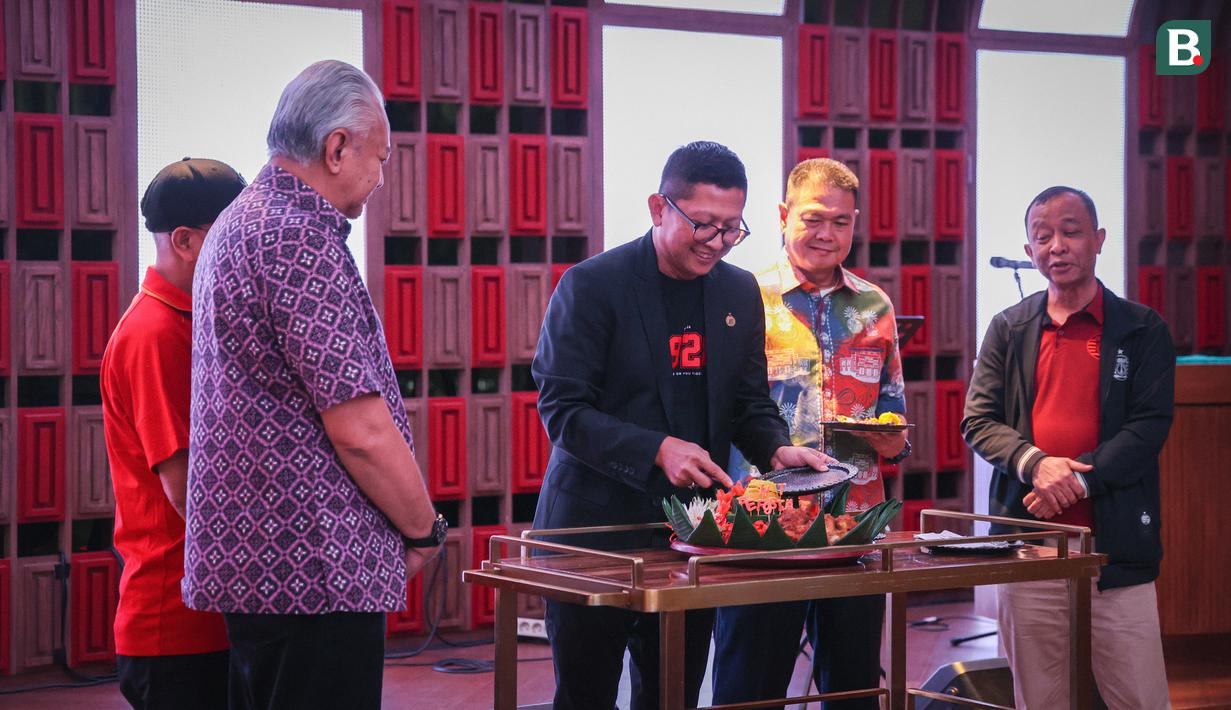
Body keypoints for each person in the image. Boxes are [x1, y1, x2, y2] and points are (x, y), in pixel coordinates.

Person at [532, 141, 834, 710]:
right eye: (702, 224)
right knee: (585, 696)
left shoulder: (737, 291)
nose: (715, 241)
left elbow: (748, 402)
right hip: (594, 532)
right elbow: (564, 411)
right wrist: (656, 449)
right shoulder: (592, 285)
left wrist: (777, 449)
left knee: (674, 693)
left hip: (693, 536)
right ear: (658, 207)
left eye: (731, 228)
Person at [183, 60, 443, 710]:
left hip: (262, 567)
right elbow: (359, 429)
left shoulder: (240, 221)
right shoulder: (298, 238)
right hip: (313, 569)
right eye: (379, 158)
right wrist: (423, 530)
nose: (380, 177)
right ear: (336, 147)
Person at [962, 186, 1175, 709]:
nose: (1056, 245)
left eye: (1071, 232)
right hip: (1029, 549)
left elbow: (1148, 428)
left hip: (1115, 550)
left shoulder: (1142, 329)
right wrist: (1035, 464)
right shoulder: (1008, 327)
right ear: (1029, 250)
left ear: (1098, 239)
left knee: (1140, 699)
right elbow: (978, 419)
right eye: (1043, 237)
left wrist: (1078, 480)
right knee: (1041, 699)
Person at [712, 158, 910, 710]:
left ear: (855, 223)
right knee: (750, 689)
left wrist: (896, 442)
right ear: (783, 215)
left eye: (841, 222)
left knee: (854, 687)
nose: (827, 233)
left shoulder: (875, 304)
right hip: (762, 525)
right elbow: (721, 409)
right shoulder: (743, 296)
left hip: (855, 525)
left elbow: (893, 408)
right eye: (814, 218)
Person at [100, 157, 246, 710]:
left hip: (211, 611)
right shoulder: (154, 332)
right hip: (177, 624)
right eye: (230, 235)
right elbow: (188, 491)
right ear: (184, 241)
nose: (245, 251)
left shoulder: (191, 318)